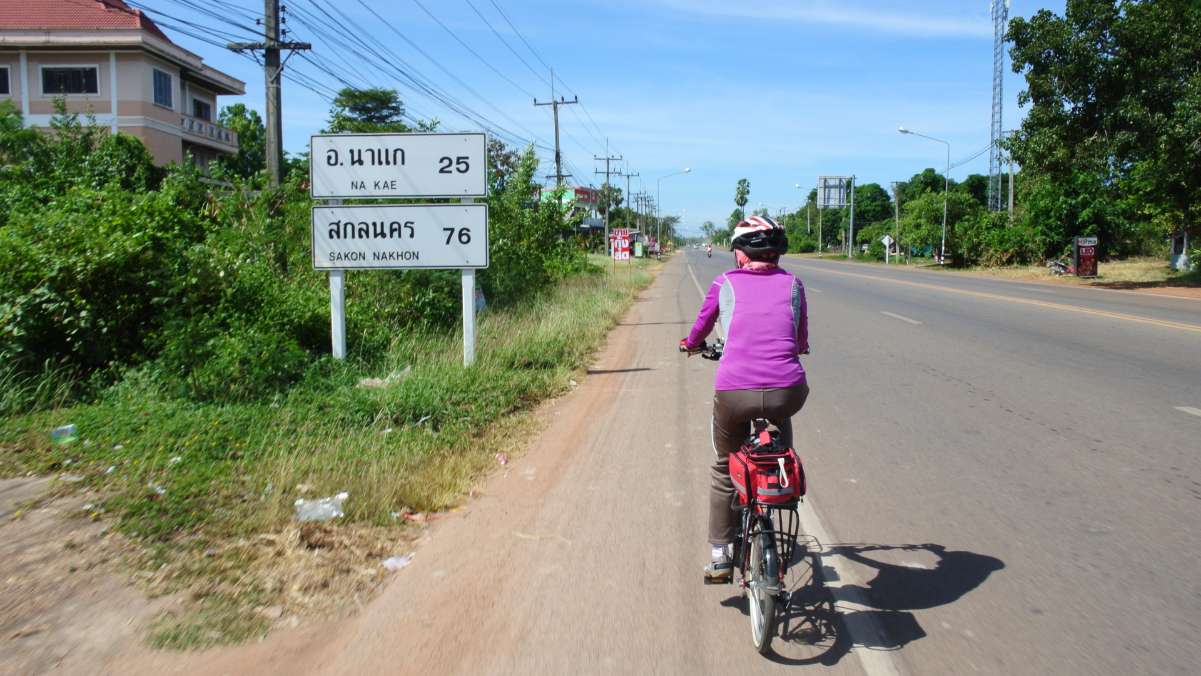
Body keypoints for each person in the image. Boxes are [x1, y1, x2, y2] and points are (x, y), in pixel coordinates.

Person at [679, 215, 809, 582]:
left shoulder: (725, 282)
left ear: (740, 253)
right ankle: (779, 476)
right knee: (778, 428)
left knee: (724, 465)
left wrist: (691, 345)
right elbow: (800, 341)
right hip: (788, 392)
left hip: (735, 392)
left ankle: (721, 554)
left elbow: (702, 325)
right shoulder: (795, 285)